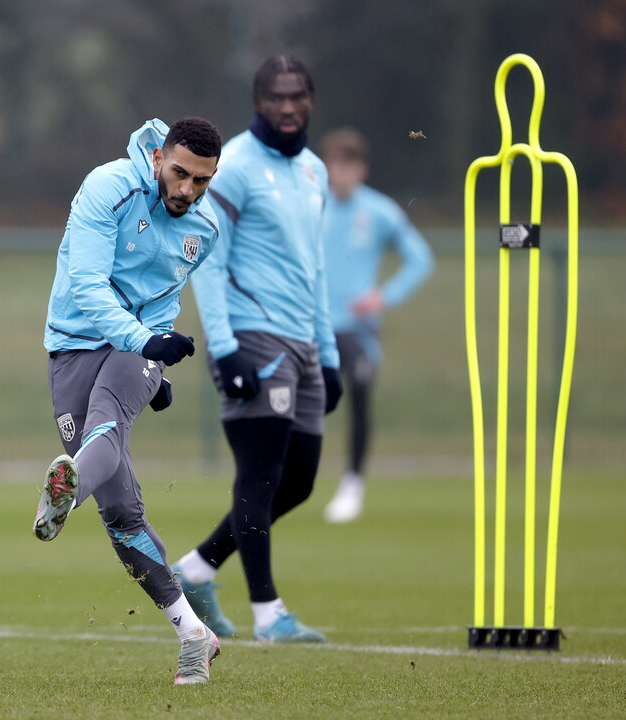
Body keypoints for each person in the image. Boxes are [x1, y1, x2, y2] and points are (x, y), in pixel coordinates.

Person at [33, 117, 223, 685]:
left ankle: (64, 489)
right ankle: (194, 632)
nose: (187, 190)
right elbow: (88, 286)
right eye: (180, 173)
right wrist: (145, 341)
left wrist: (152, 361)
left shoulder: (204, 231)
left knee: (107, 426)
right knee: (120, 512)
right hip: (73, 345)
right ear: (160, 156)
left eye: (202, 181)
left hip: (133, 352)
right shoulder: (108, 187)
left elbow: (162, 301)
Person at [171, 56, 342, 643]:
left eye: (298, 97)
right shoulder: (236, 166)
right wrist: (224, 349)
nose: (288, 107)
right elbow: (208, 262)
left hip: (304, 343)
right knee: (261, 473)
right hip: (252, 338)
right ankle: (269, 614)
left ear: (312, 100)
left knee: (299, 481)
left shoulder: (316, 171)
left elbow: (315, 267)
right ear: (257, 100)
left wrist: (331, 354)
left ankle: (194, 570)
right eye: (276, 97)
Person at [320, 128, 434, 524]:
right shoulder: (312, 207)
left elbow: (420, 257)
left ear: (362, 170)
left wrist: (384, 296)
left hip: (358, 328)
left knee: (360, 399)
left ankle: (352, 485)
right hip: (313, 324)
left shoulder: (379, 211)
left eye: (350, 166)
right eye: (336, 164)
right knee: (301, 402)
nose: (342, 174)